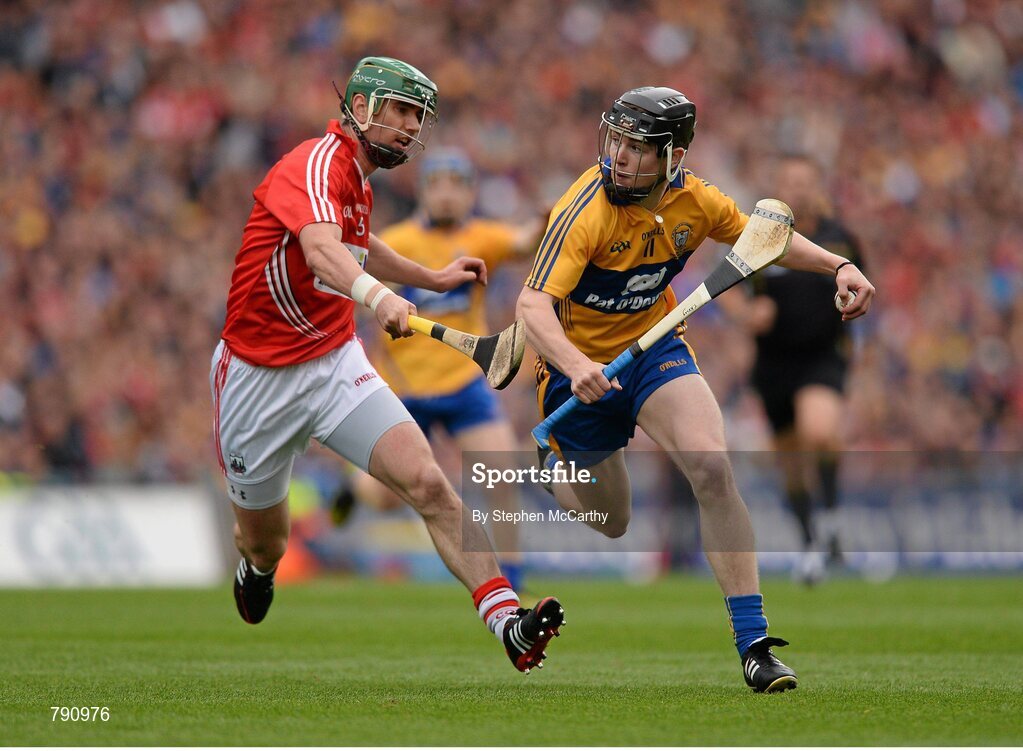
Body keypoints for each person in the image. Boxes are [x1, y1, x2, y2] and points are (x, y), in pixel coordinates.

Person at [211, 56, 563, 673]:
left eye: (417, 116)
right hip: (257, 379)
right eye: (401, 111)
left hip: (331, 361)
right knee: (267, 541)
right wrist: (379, 299)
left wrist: (429, 276)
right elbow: (323, 252)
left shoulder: (357, 180)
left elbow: (359, 242)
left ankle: (508, 622)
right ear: (364, 107)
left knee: (429, 483)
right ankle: (256, 566)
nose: (410, 127)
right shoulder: (315, 163)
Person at [516, 87, 875, 692]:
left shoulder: (696, 200)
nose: (621, 156)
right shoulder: (584, 209)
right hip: (576, 370)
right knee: (612, 519)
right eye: (617, 141)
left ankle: (755, 645)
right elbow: (531, 304)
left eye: (639, 147)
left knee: (712, 468)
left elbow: (768, 241)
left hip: (654, 349)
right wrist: (577, 365)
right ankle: (555, 469)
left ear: (673, 155)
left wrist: (839, 264)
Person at [342, 147, 541, 593]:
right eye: (438, 185)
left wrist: (549, 219)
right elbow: (361, 297)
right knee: (386, 497)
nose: (448, 196)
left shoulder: (482, 237)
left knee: (501, 474)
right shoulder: (395, 242)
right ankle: (353, 490)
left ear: (471, 193)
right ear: (424, 192)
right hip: (405, 390)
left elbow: (527, 241)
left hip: (464, 383)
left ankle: (514, 581)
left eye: (457, 185)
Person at [724, 155, 864, 585]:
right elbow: (724, 285)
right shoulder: (762, 237)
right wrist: (748, 312)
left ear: (817, 185)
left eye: (805, 181)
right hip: (773, 362)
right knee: (789, 460)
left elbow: (861, 288)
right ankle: (810, 544)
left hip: (821, 356)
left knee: (818, 432)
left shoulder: (840, 240)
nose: (798, 189)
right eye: (790, 182)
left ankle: (833, 516)